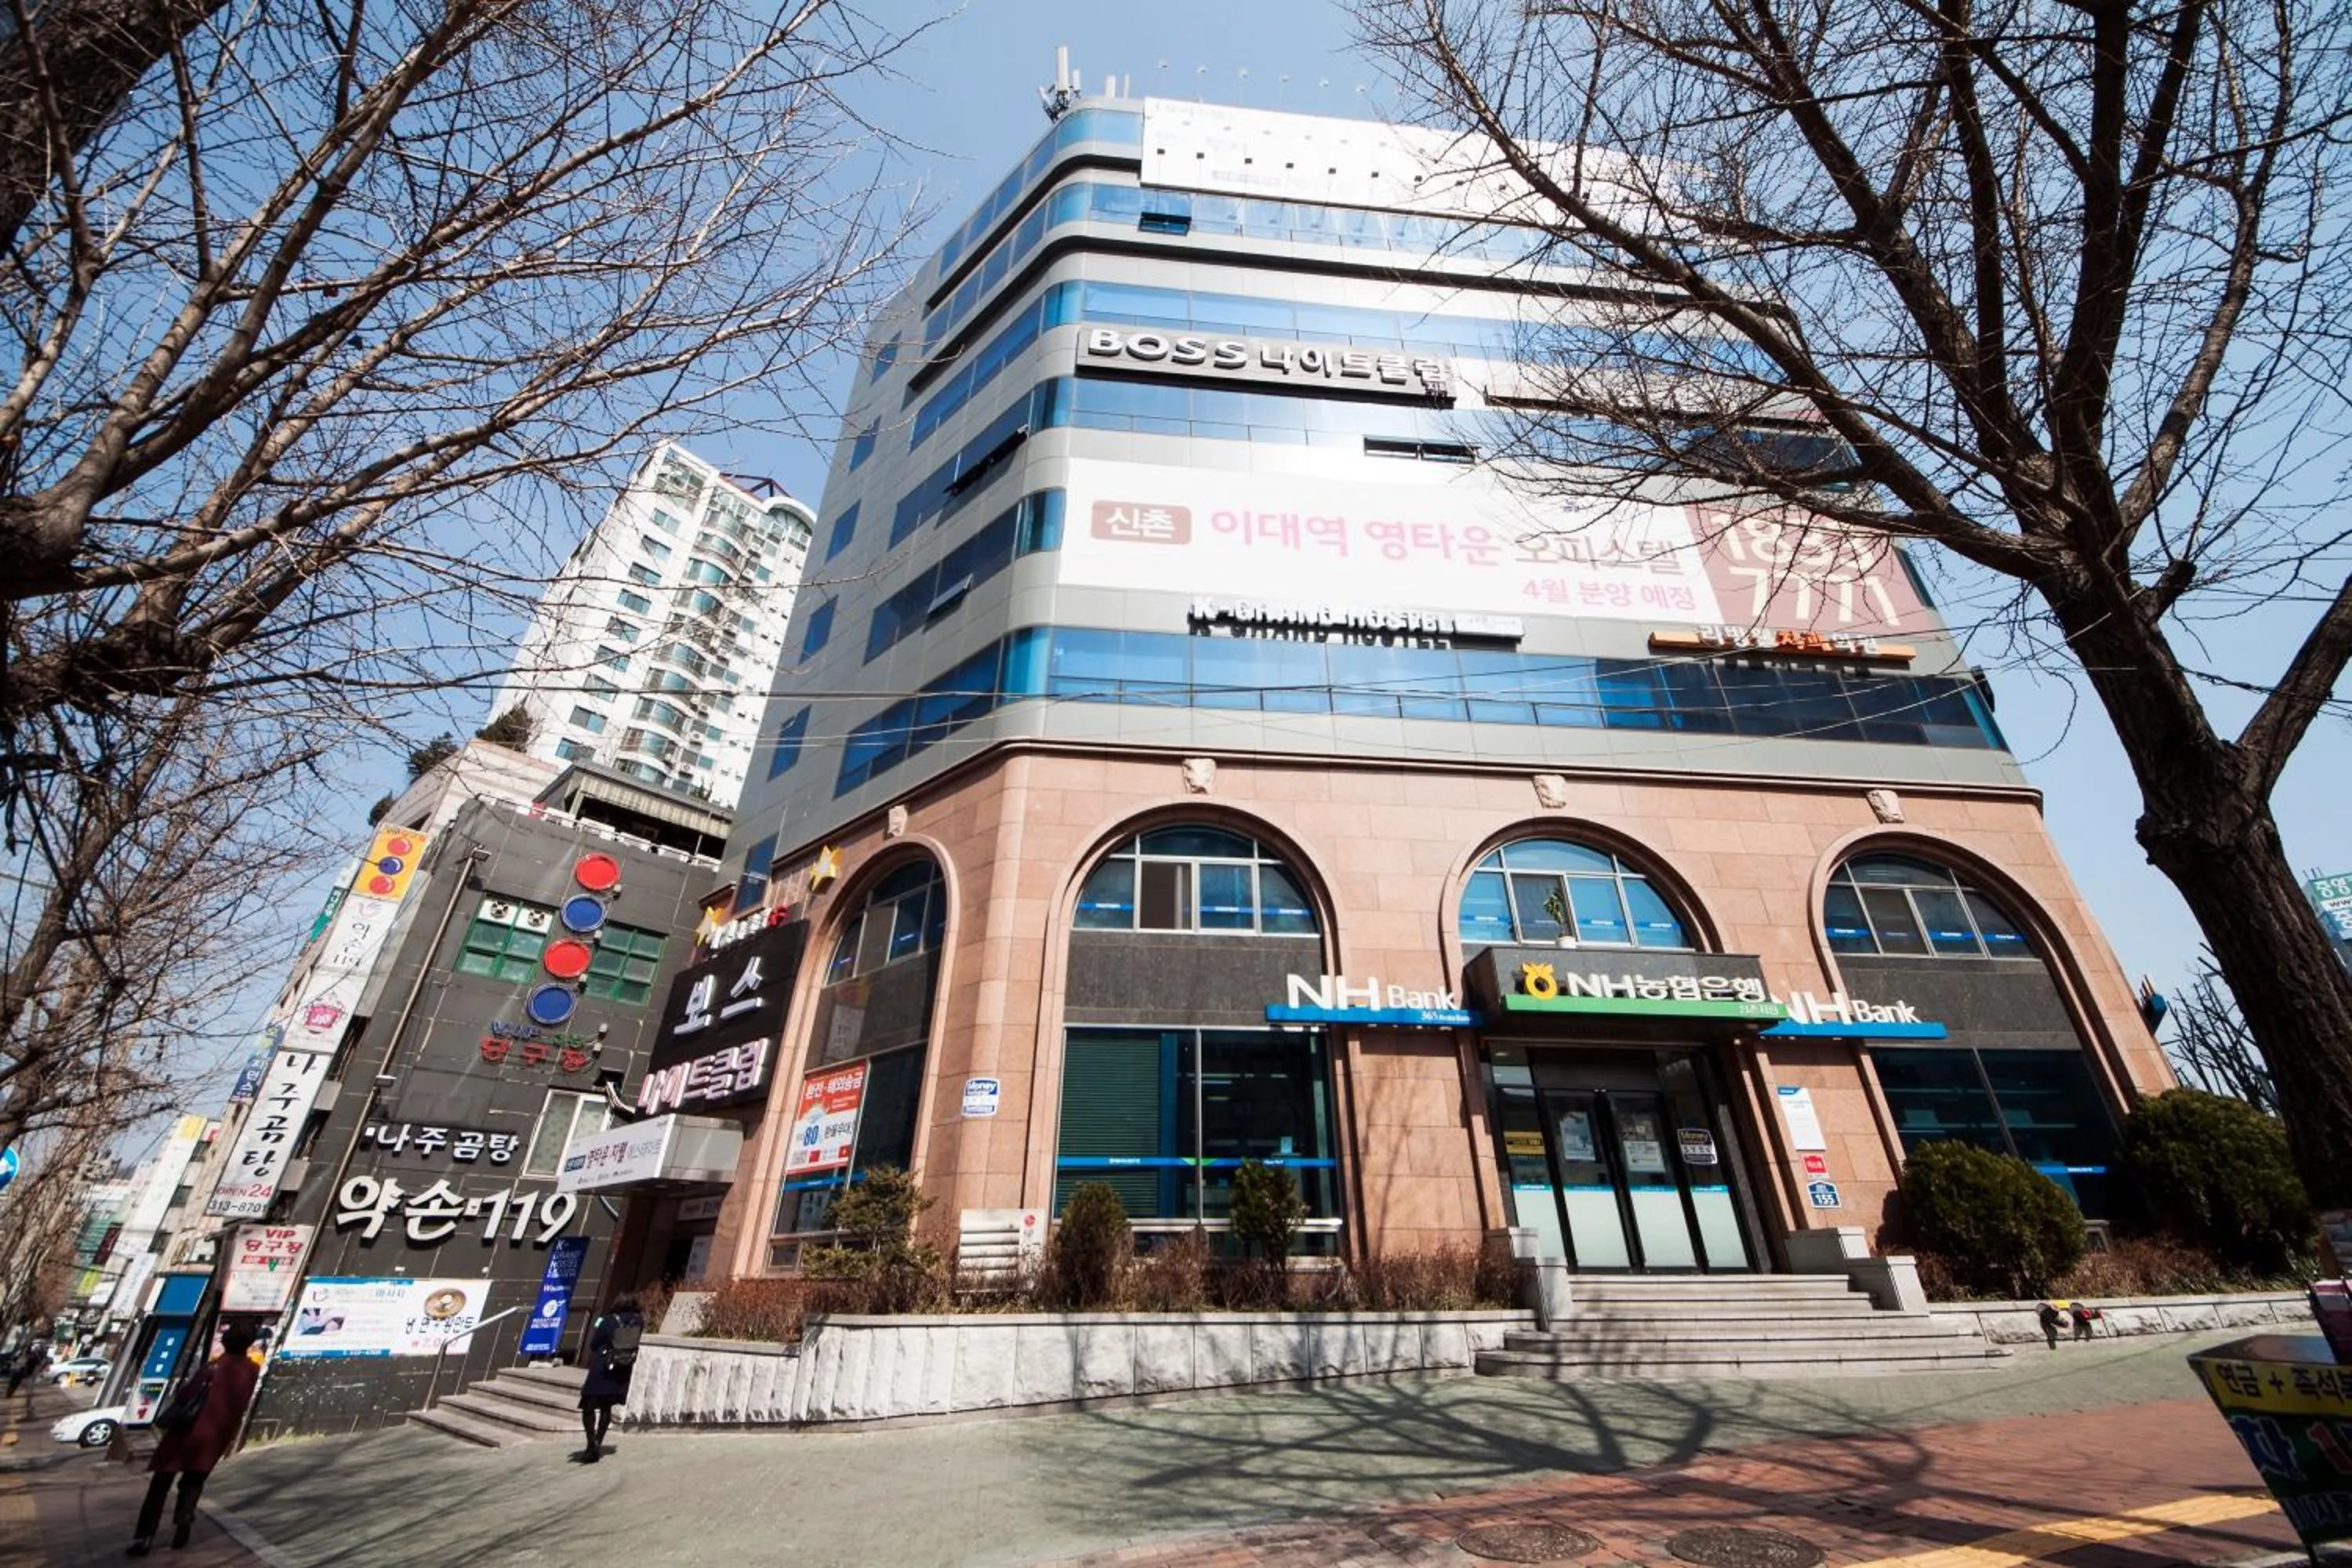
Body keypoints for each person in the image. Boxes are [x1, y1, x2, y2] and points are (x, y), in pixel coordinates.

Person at [129, 1323, 261, 1556]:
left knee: (160, 1485)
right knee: (193, 1482)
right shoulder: (251, 1370)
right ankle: (184, 1521)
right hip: (217, 1436)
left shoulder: (214, 1368)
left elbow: (185, 1396)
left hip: (187, 1433)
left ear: (228, 1342)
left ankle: (144, 1536)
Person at [576, 1294, 644, 1463]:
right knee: (606, 1407)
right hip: (622, 1368)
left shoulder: (608, 1320)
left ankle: (591, 1441)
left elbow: (594, 1344)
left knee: (589, 1406)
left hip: (603, 1367)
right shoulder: (639, 1321)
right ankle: (599, 1441)